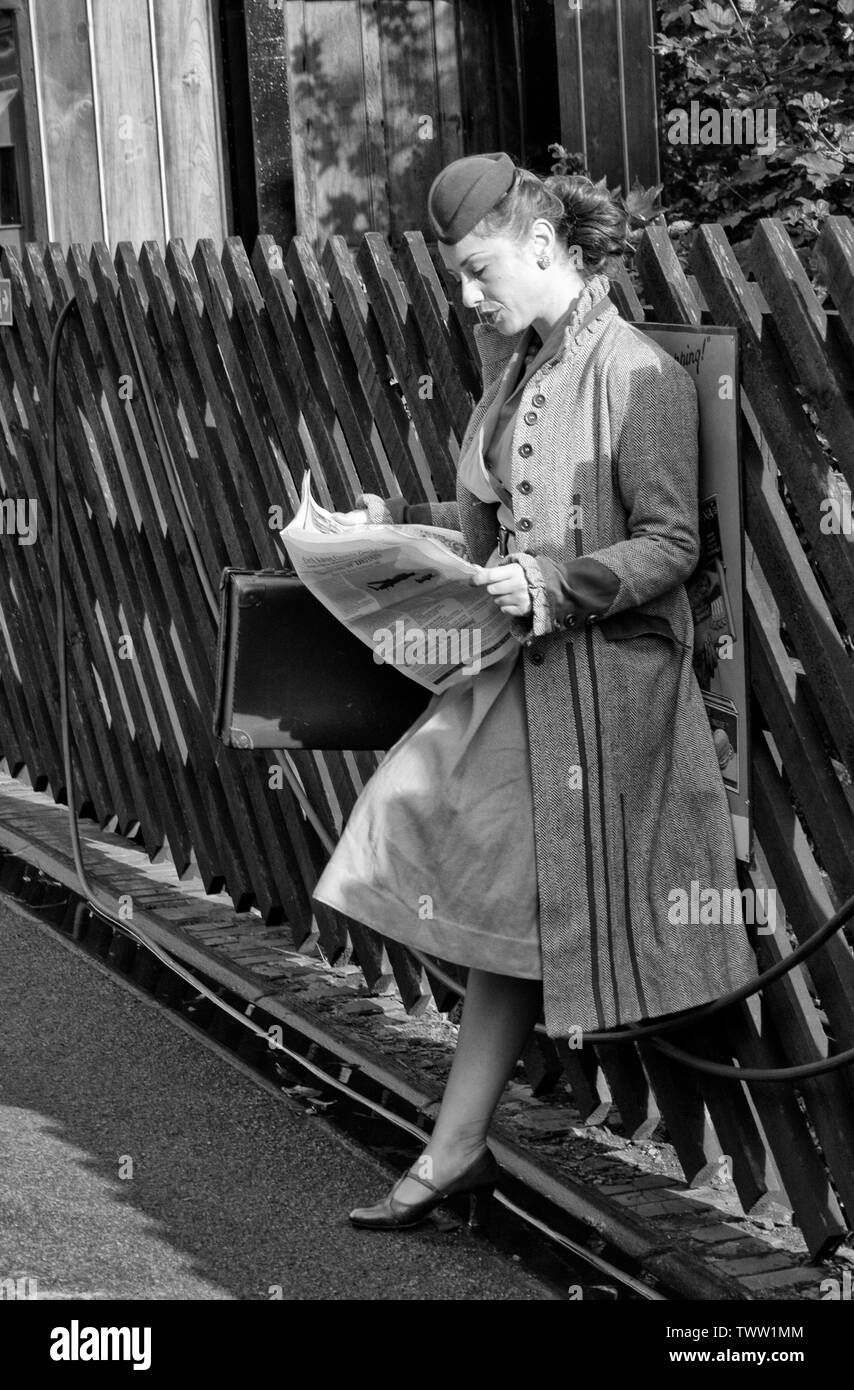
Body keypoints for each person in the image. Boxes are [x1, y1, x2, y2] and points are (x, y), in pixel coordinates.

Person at [311, 152, 758, 1230]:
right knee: (460, 882)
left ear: (543, 245)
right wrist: (387, 525)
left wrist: (557, 582)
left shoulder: (630, 370)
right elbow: (507, 516)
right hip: (523, 675)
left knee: (417, 838)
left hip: (596, 690)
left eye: (476, 269)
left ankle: (455, 1147)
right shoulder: (519, 364)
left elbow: (670, 545)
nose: (466, 295)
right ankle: (455, 1146)